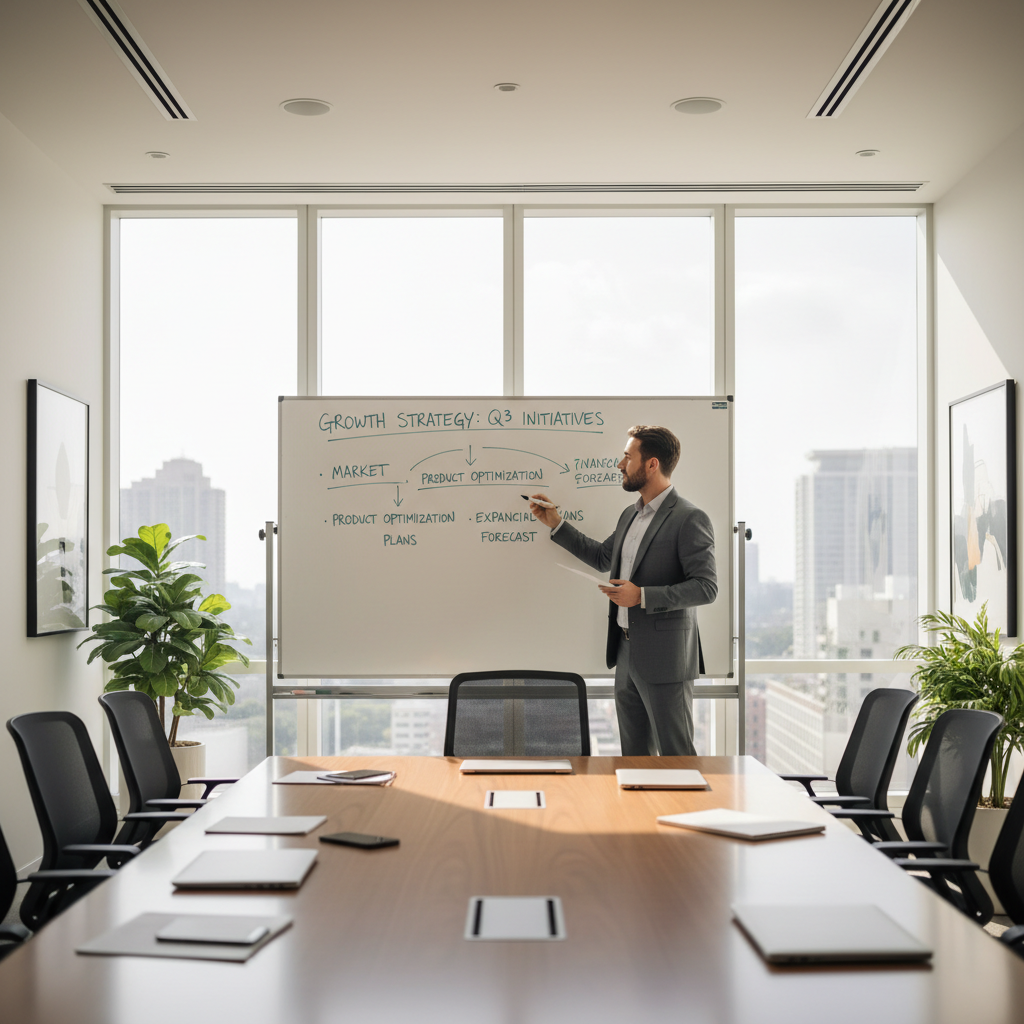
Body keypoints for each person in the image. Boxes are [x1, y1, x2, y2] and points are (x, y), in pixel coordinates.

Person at [529, 425, 717, 756]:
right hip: (626, 653)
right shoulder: (630, 515)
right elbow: (602, 557)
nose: (620, 464)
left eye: (628, 457)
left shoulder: (689, 518)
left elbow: (706, 587)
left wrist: (641, 596)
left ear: (652, 464)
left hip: (666, 659)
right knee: (634, 756)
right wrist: (556, 523)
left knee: (676, 757)